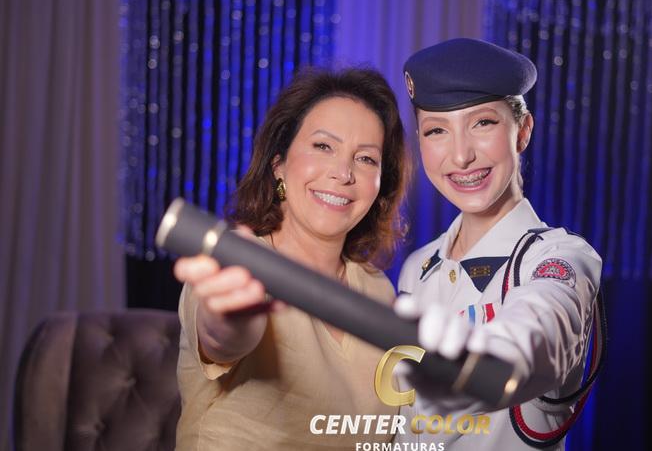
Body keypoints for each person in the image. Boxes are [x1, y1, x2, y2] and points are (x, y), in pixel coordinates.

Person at [172, 67, 410, 450]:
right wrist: (229, 318)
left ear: (381, 185)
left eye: (366, 158)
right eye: (323, 146)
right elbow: (221, 337)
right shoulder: (236, 263)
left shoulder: (378, 289)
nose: (343, 173)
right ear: (279, 165)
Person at [394, 38, 602, 450]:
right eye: (436, 130)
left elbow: (538, 333)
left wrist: (473, 371)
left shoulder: (559, 258)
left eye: (483, 123)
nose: (461, 156)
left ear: (522, 131)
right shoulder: (417, 267)